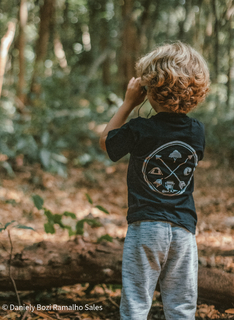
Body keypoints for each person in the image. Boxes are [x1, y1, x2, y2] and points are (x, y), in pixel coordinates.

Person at [99, 41, 210, 320]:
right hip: (184, 231)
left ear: (149, 89)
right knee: (182, 306)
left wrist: (127, 103)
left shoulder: (140, 128)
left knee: (136, 302)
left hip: (146, 228)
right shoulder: (197, 132)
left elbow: (107, 143)